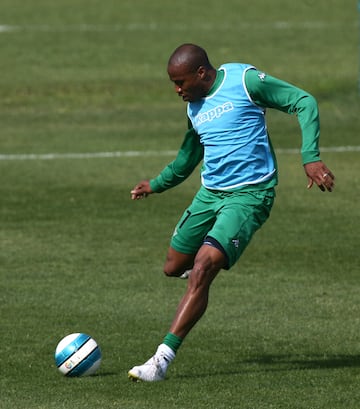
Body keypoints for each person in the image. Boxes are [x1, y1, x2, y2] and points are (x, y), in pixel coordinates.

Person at [128, 43, 335, 382]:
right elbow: (187, 158)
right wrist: (156, 184)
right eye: (173, 84)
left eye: (180, 83)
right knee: (173, 266)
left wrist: (310, 156)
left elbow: (304, 101)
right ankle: (199, 267)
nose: (177, 90)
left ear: (202, 73)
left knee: (203, 267)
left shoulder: (244, 81)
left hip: (250, 196)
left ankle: (160, 361)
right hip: (209, 195)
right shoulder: (194, 107)